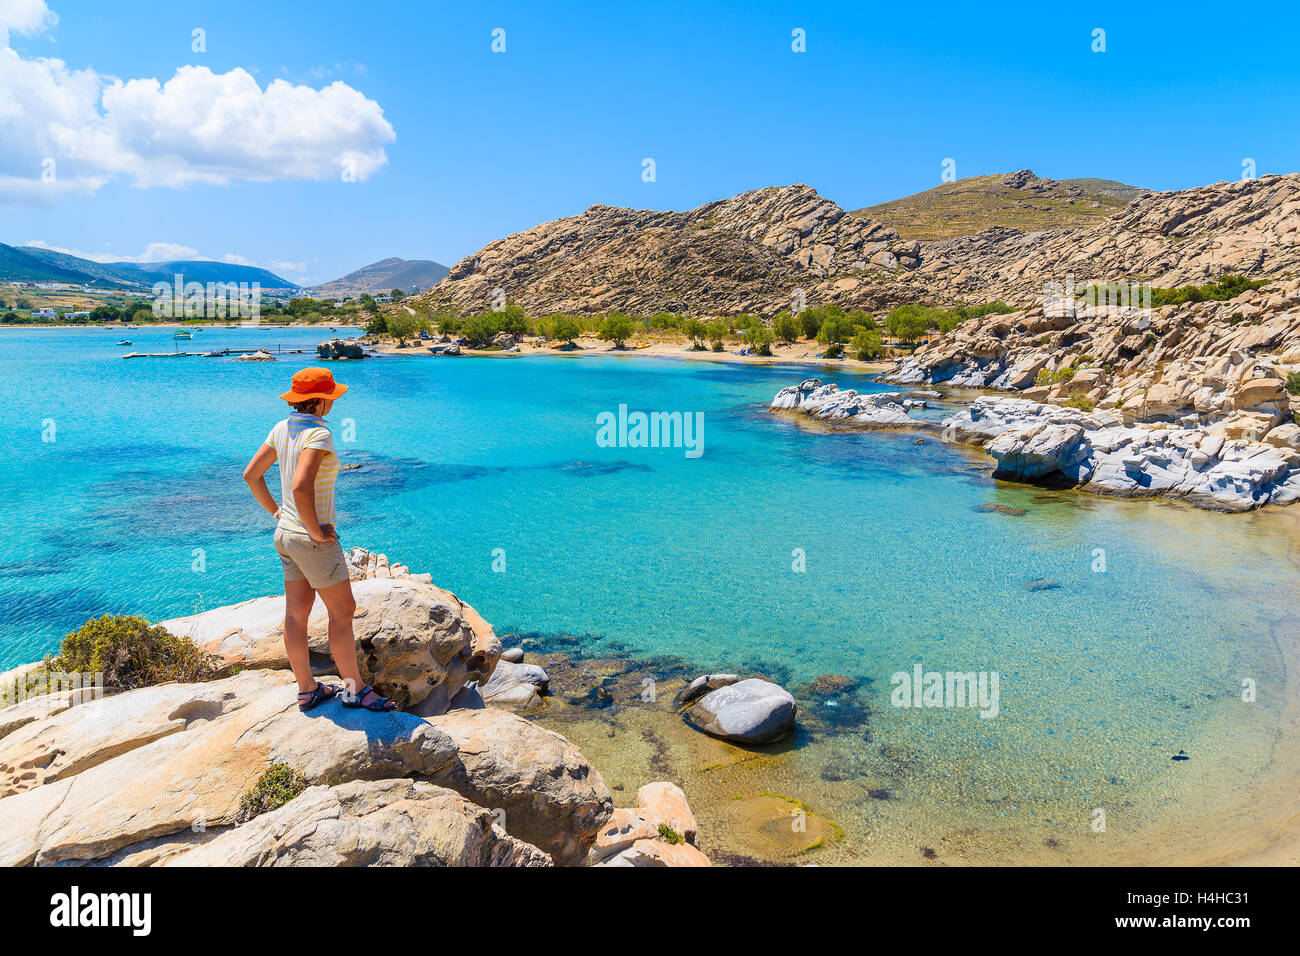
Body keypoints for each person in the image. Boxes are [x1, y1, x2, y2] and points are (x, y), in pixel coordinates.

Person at [242, 367, 395, 712]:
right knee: (344, 613)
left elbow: (251, 475)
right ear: (323, 400)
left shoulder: (282, 427)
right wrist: (314, 531)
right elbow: (300, 485)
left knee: (296, 616)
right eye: (332, 398)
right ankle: (354, 691)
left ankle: (308, 689)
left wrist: (277, 513)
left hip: (284, 536)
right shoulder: (318, 435)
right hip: (310, 540)